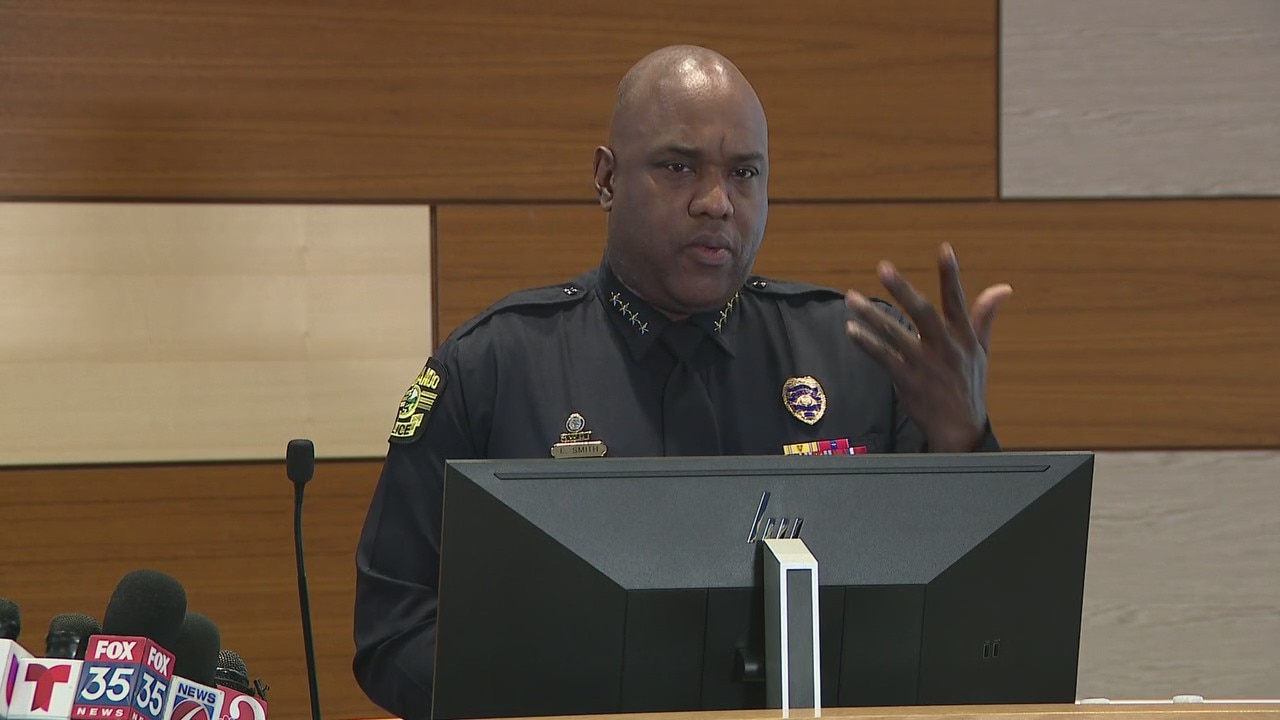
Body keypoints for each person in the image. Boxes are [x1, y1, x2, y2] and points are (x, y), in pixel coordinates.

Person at [353, 45, 1012, 718]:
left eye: (744, 173)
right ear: (607, 179)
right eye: (678, 167)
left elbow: (986, 627)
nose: (716, 202)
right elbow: (395, 632)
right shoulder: (491, 369)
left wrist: (964, 443)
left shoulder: (862, 357)